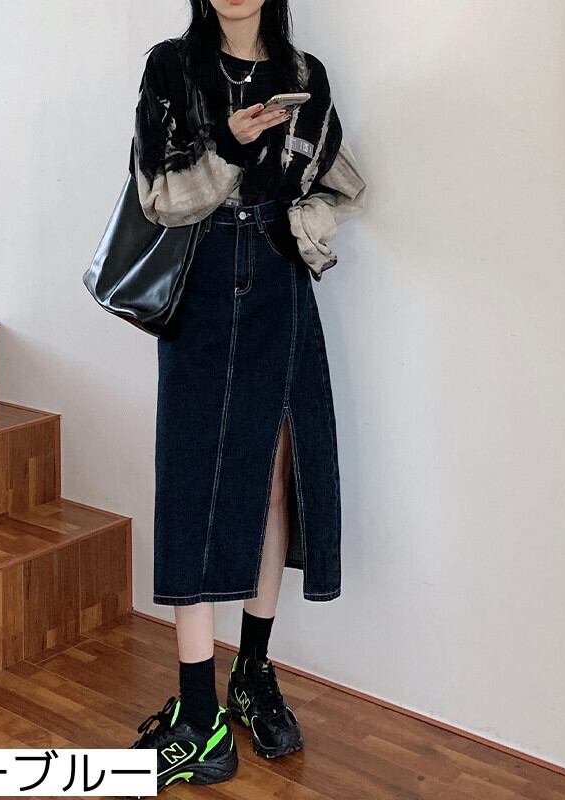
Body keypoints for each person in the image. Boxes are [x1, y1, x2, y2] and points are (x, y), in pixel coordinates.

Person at [126, 0, 367, 792]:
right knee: (192, 487)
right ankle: (199, 714)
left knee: (271, 484)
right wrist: (229, 145)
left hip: (277, 284)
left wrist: (304, 224)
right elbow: (157, 196)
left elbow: (346, 185)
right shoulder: (172, 67)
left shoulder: (304, 77)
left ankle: (251, 675)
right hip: (198, 288)